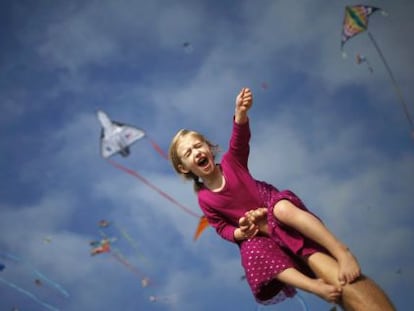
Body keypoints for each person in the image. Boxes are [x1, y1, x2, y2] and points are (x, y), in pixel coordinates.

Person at [169, 87, 395, 310]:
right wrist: (242, 232)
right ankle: (313, 286)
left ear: (208, 147)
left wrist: (240, 114)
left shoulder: (231, 163)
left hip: (269, 205)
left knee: (282, 210)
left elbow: (240, 140)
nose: (196, 152)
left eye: (198, 146)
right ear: (184, 168)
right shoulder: (205, 199)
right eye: (188, 153)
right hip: (259, 234)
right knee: (251, 251)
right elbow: (221, 228)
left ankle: (340, 251)